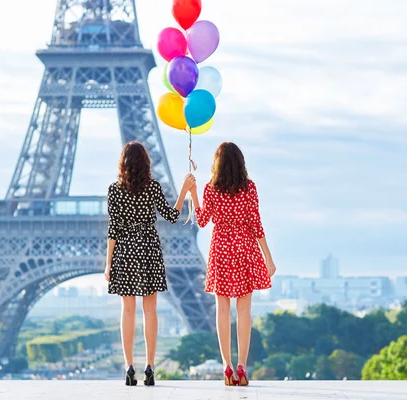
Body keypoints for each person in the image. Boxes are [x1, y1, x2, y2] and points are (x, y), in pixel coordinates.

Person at [104, 141, 195, 386]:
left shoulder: (114, 189)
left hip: (125, 248)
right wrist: (185, 191)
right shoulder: (152, 187)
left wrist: (108, 263)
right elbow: (172, 216)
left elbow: (114, 228)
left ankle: (129, 366)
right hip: (148, 248)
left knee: (128, 311)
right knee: (150, 311)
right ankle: (150, 366)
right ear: (146, 163)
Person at [190, 142, 277, 386]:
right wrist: (268, 257)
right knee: (244, 311)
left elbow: (203, 221)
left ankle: (226, 366)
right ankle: (242, 366)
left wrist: (194, 194)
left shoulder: (211, 189)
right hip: (245, 248)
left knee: (222, 310)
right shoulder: (249, 188)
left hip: (221, 249)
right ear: (241, 162)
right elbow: (256, 224)